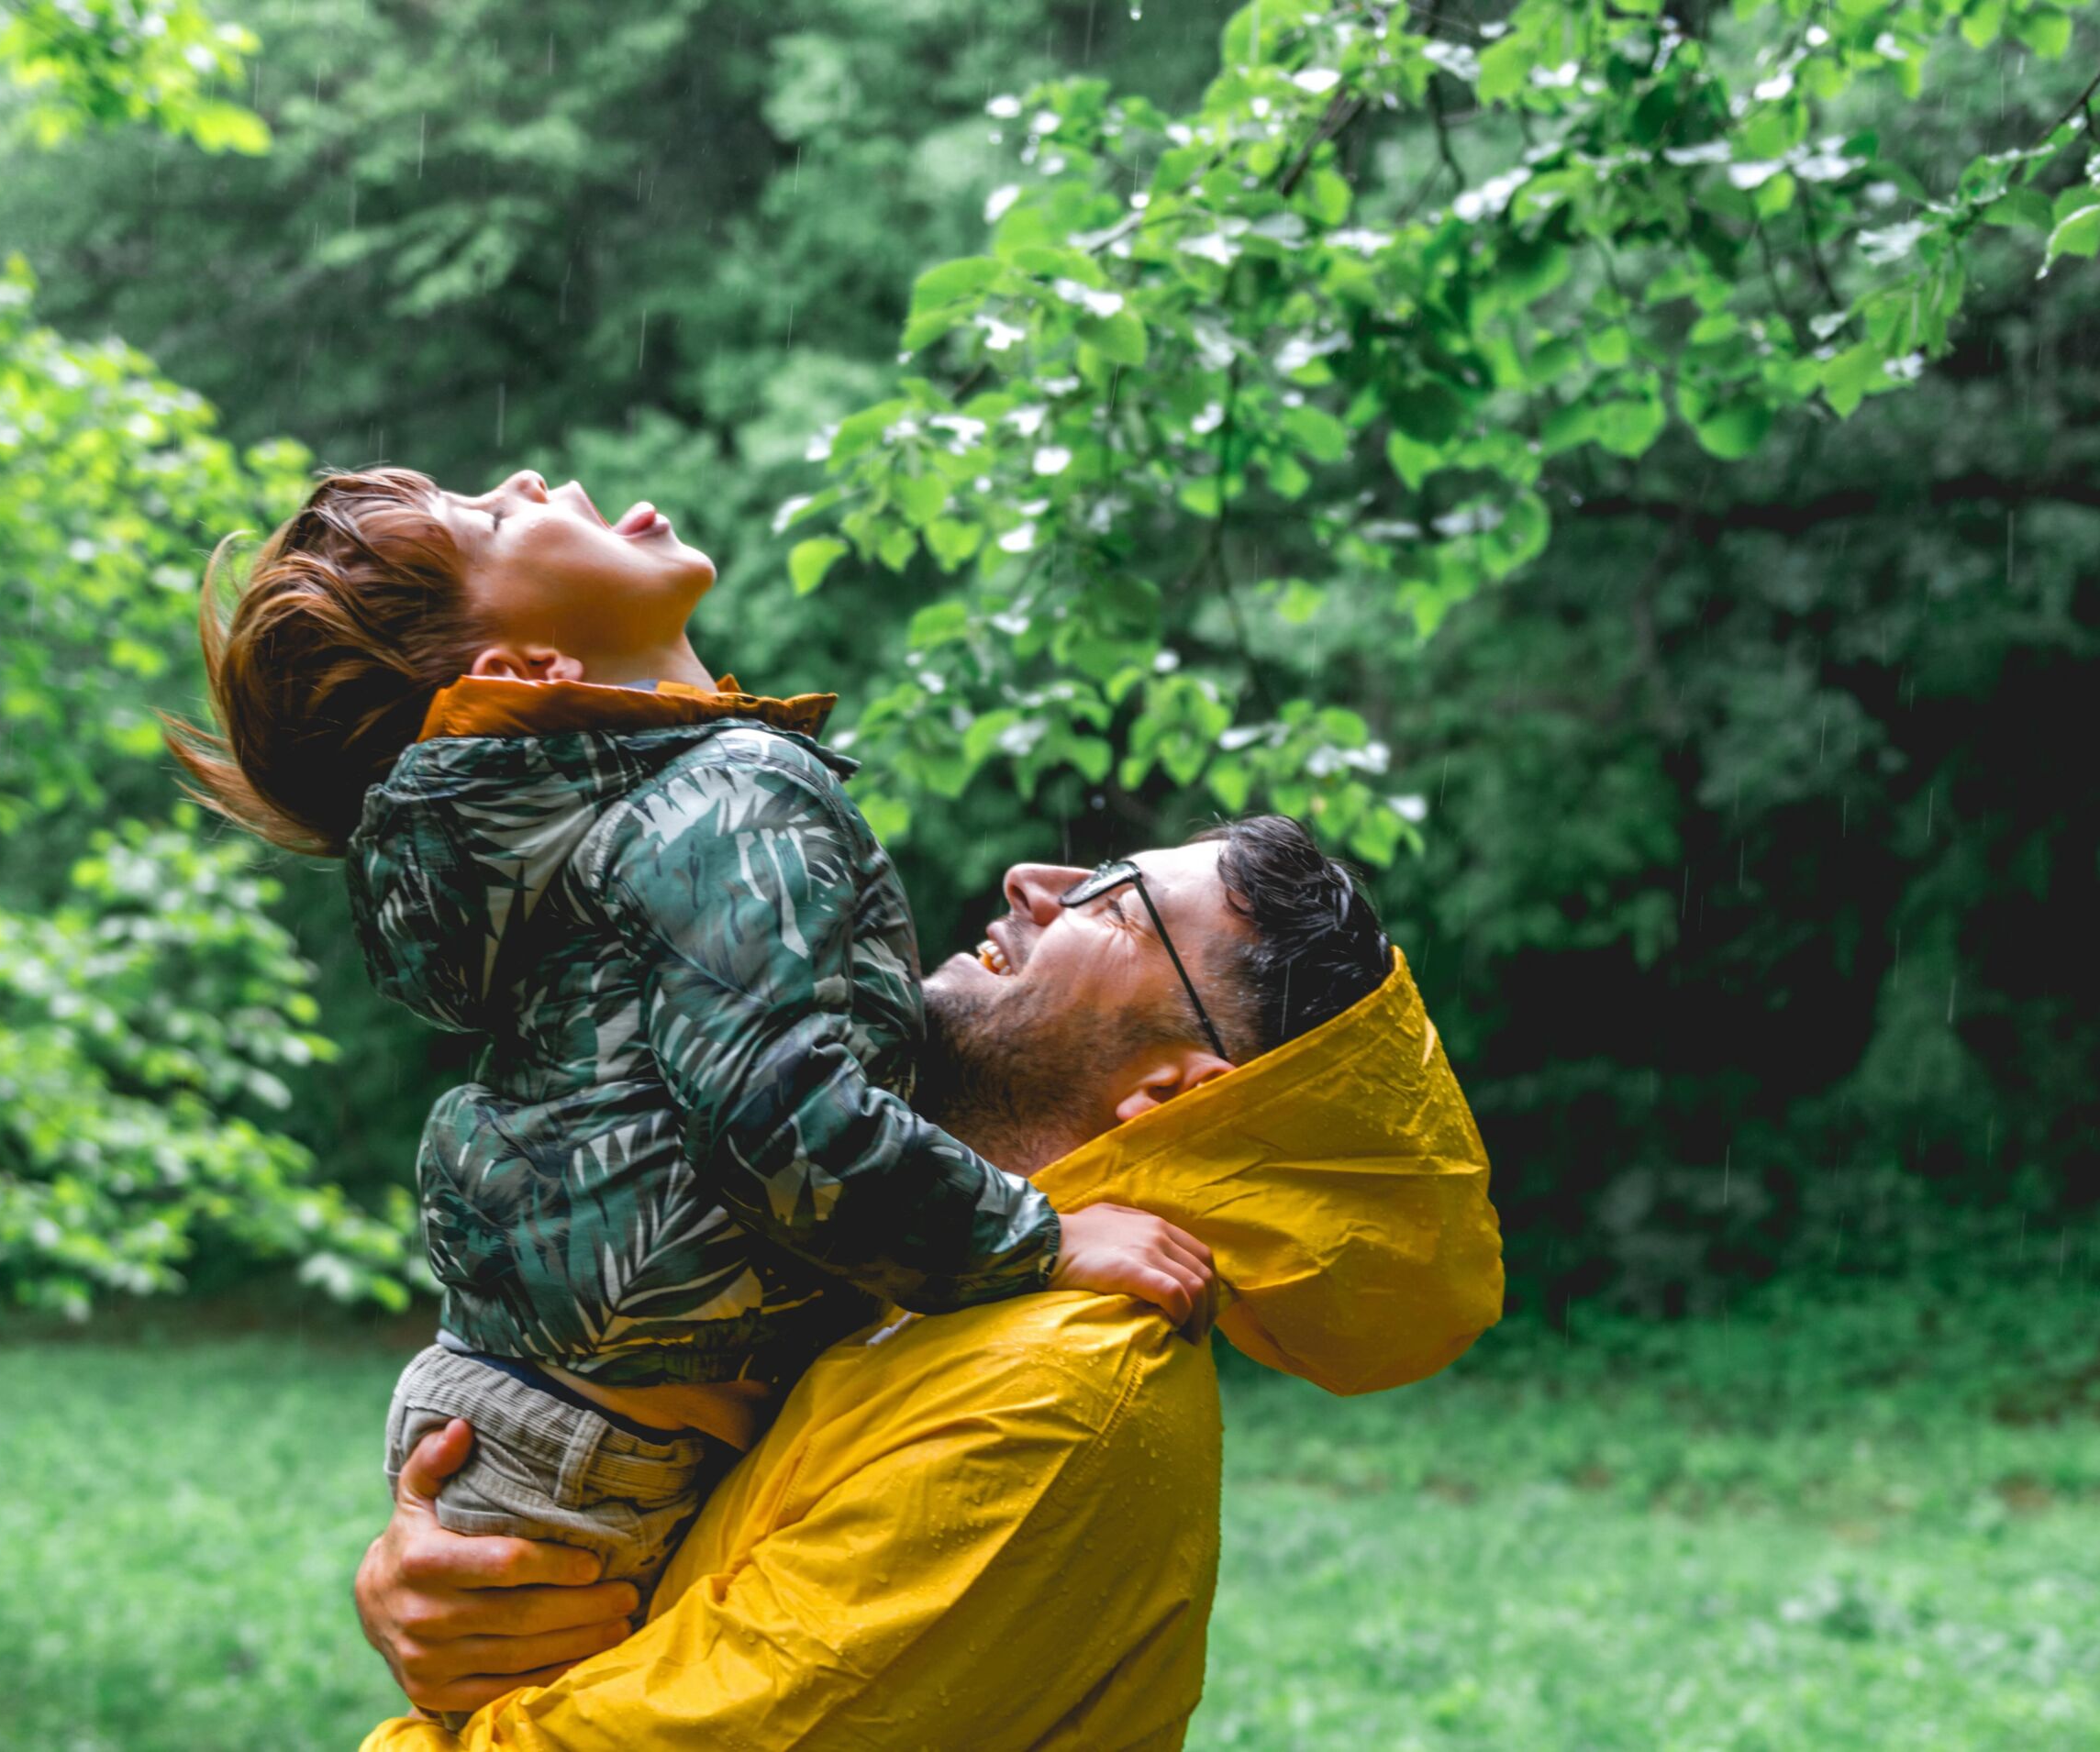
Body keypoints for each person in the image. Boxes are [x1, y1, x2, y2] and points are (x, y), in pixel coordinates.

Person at [163, 465, 1212, 1636]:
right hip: (599, 1458)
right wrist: (1044, 1240)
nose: (535, 479)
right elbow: (786, 1120)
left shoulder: (609, 826)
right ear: (518, 671)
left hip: (535, 1422)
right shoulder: (726, 792)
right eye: (497, 518)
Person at [354, 817, 1506, 1748]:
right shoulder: (889, 1276)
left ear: (1170, 1093)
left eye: (1112, 898)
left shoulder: (1064, 1388)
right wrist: (445, 1590)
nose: (1030, 880)